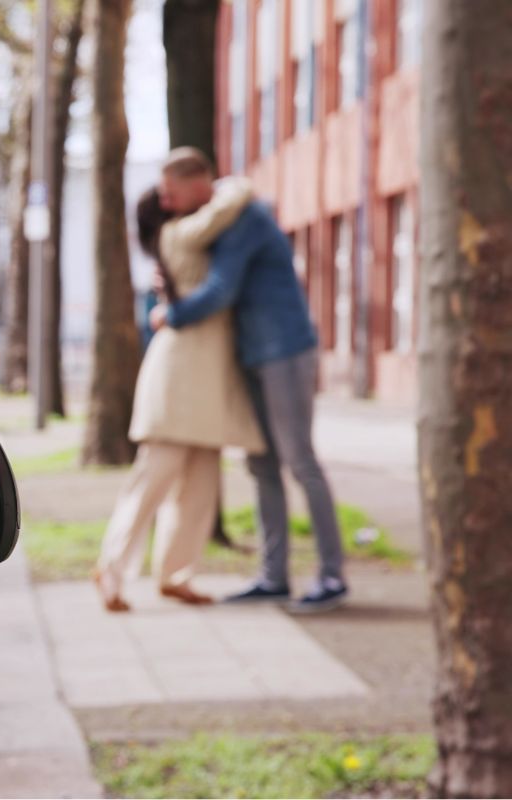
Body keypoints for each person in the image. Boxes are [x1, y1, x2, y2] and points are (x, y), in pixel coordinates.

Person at [151, 147, 349, 613]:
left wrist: (170, 315)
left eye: (170, 191)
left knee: (300, 460)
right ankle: (273, 576)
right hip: (252, 356)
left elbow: (222, 290)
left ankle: (332, 576)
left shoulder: (245, 218)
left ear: (197, 181)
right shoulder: (219, 220)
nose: (165, 200)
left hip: (284, 351)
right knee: (261, 465)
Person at [94, 180, 264, 612]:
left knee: (199, 488)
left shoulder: (186, 246)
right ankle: (111, 570)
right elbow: (225, 208)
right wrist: (229, 185)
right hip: (177, 378)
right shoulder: (180, 235)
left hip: (207, 380)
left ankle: (176, 575)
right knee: (152, 480)